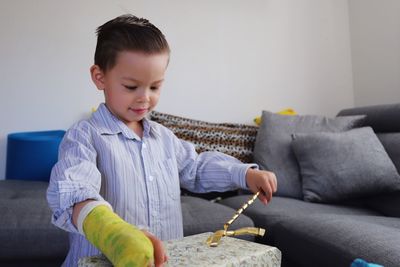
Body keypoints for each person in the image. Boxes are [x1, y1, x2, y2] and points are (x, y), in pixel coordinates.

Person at [47, 14, 277, 267]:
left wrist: (243, 174)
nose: (144, 98)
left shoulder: (163, 137)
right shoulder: (84, 136)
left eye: (155, 87)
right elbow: (75, 192)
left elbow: (196, 168)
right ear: (100, 77)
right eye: (131, 87)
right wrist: (115, 234)